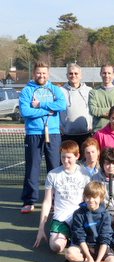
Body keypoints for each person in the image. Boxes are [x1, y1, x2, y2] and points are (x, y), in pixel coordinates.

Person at [19, 61, 67, 213]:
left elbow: (62, 105)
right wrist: (47, 111)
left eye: (44, 73)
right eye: (39, 73)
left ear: (48, 74)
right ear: (34, 73)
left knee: (55, 167)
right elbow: (26, 112)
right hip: (33, 134)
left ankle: (55, 200)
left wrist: (40, 104)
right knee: (32, 168)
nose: (41, 75)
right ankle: (29, 201)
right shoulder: (27, 90)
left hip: (53, 134)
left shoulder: (55, 89)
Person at [33, 140, 91, 253]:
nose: (65, 160)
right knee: (55, 247)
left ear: (77, 156)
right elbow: (47, 202)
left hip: (78, 217)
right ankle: (66, 235)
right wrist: (41, 228)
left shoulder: (85, 174)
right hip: (60, 217)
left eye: (69, 157)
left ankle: (70, 236)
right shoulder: (53, 174)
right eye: (63, 157)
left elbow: (87, 199)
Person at [65, 181, 114, 262]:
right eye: (88, 197)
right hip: (84, 246)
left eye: (94, 197)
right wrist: (89, 257)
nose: (91, 200)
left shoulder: (105, 215)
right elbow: (80, 238)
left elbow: (105, 240)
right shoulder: (78, 214)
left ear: (101, 198)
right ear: (84, 197)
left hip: (99, 246)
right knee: (69, 254)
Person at [60, 63, 93, 148]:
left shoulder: (89, 91)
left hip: (86, 135)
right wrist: (59, 126)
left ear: (81, 75)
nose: (73, 75)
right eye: (70, 73)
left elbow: (93, 109)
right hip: (66, 135)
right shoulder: (60, 91)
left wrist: (92, 125)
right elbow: (55, 111)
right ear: (67, 75)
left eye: (76, 73)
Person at [89, 64, 114, 132]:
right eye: (104, 73)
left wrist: (102, 112)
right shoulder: (93, 92)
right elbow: (93, 111)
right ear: (100, 74)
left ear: (113, 74)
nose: (106, 75)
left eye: (109, 73)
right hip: (99, 131)